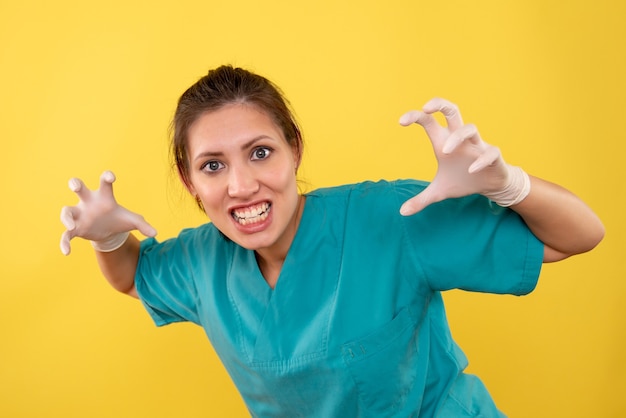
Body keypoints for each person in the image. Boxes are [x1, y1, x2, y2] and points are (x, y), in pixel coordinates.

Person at [59, 65, 604, 417]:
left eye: (261, 152)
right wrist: (107, 242)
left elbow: (581, 235)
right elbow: (135, 277)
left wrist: (509, 186)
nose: (241, 185)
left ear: (294, 148)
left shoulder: (392, 220)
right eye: (212, 165)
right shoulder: (203, 261)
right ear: (190, 183)